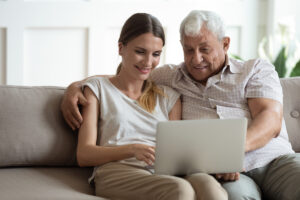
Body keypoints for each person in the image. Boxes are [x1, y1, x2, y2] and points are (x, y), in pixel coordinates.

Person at [61, 10, 300, 200]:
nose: (196, 59)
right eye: (188, 50)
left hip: (273, 160)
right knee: (229, 196)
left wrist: (227, 155)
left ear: (225, 44)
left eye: (205, 49)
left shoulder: (254, 70)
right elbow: (125, 79)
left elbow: (270, 121)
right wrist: (76, 86)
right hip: (225, 174)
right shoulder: (170, 78)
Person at [74, 12, 228, 200]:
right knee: (180, 190)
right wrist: (132, 149)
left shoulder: (168, 97)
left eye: (155, 54)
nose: (148, 62)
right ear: (121, 48)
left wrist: (218, 163)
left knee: (210, 188)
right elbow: (84, 154)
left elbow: (177, 153)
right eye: (140, 52)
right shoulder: (97, 89)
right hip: (117, 171)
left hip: (160, 172)